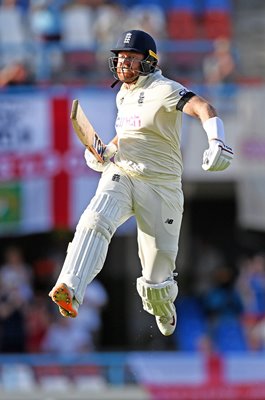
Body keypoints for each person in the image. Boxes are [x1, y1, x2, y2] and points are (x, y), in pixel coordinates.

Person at [49, 29, 234, 336]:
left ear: (149, 62)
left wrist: (217, 141)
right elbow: (129, 135)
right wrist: (106, 150)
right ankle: (70, 285)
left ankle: (162, 304)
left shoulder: (164, 89)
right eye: (121, 58)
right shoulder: (123, 93)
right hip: (124, 174)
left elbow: (203, 107)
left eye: (131, 59)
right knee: (96, 218)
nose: (123, 65)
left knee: (156, 276)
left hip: (162, 188)